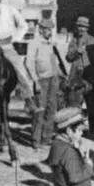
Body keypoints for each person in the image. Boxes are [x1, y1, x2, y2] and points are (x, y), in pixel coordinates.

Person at [26, 18, 68, 149]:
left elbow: (56, 62)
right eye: (47, 30)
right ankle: (36, 140)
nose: (50, 32)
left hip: (53, 79)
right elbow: (29, 63)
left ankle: (46, 138)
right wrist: (35, 81)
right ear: (40, 30)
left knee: (51, 108)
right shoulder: (34, 43)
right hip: (41, 80)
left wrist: (60, 77)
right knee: (40, 110)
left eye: (51, 29)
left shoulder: (51, 44)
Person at [65, 16, 94, 136]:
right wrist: (78, 51)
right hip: (75, 77)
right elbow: (68, 57)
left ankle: (93, 131)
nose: (81, 29)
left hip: (89, 77)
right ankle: (74, 130)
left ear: (87, 28)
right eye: (79, 26)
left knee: (91, 105)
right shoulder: (73, 41)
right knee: (74, 105)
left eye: (84, 27)